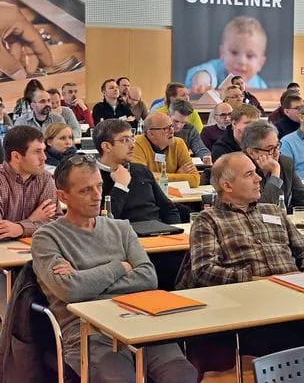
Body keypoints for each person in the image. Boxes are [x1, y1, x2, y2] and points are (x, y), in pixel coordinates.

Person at [31, 156, 197, 383]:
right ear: (63, 196)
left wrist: (85, 279)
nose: (97, 195)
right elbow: (70, 290)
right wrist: (121, 266)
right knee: (117, 378)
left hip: (139, 321)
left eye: (99, 186)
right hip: (88, 333)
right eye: (85, 190)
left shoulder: (121, 228)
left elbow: (148, 278)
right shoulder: (46, 237)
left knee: (182, 374)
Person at [176, 151, 304, 288]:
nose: (258, 179)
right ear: (227, 186)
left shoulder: (274, 210)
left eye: (256, 172)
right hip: (246, 295)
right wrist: (262, 281)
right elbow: (204, 272)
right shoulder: (208, 220)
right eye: (249, 174)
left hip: (296, 289)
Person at [94, 119, 181, 223]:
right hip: (125, 236)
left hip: (159, 233)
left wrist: (174, 232)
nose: (132, 145)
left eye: (132, 139)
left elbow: (169, 209)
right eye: (125, 140)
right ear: (107, 146)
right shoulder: (91, 178)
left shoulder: (141, 170)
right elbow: (103, 222)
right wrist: (120, 186)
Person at [241, 122, 304, 215]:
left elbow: (303, 198)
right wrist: (275, 173)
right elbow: (265, 209)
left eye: (277, 146)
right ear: (252, 152)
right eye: (270, 149)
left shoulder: (285, 163)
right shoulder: (242, 170)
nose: (276, 153)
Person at [0, 126, 60, 238]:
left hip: (32, 249)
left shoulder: (45, 178)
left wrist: (20, 228)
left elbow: (56, 223)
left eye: (43, 150)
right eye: (37, 152)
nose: (44, 157)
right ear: (16, 156)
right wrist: (31, 221)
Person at [185, 15, 269, 91]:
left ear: (260, 63)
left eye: (250, 56)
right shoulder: (215, 69)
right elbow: (203, 72)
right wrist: (202, 83)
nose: (241, 61)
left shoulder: (260, 85)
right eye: (234, 52)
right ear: (222, 53)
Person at [132, 113, 200, 188]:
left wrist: (160, 177)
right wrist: (178, 175)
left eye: (171, 126)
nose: (172, 131)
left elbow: (195, 179)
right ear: (151, 133)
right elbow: (142, 178)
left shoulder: (178, 143)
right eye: (166, 128)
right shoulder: (137, 143)